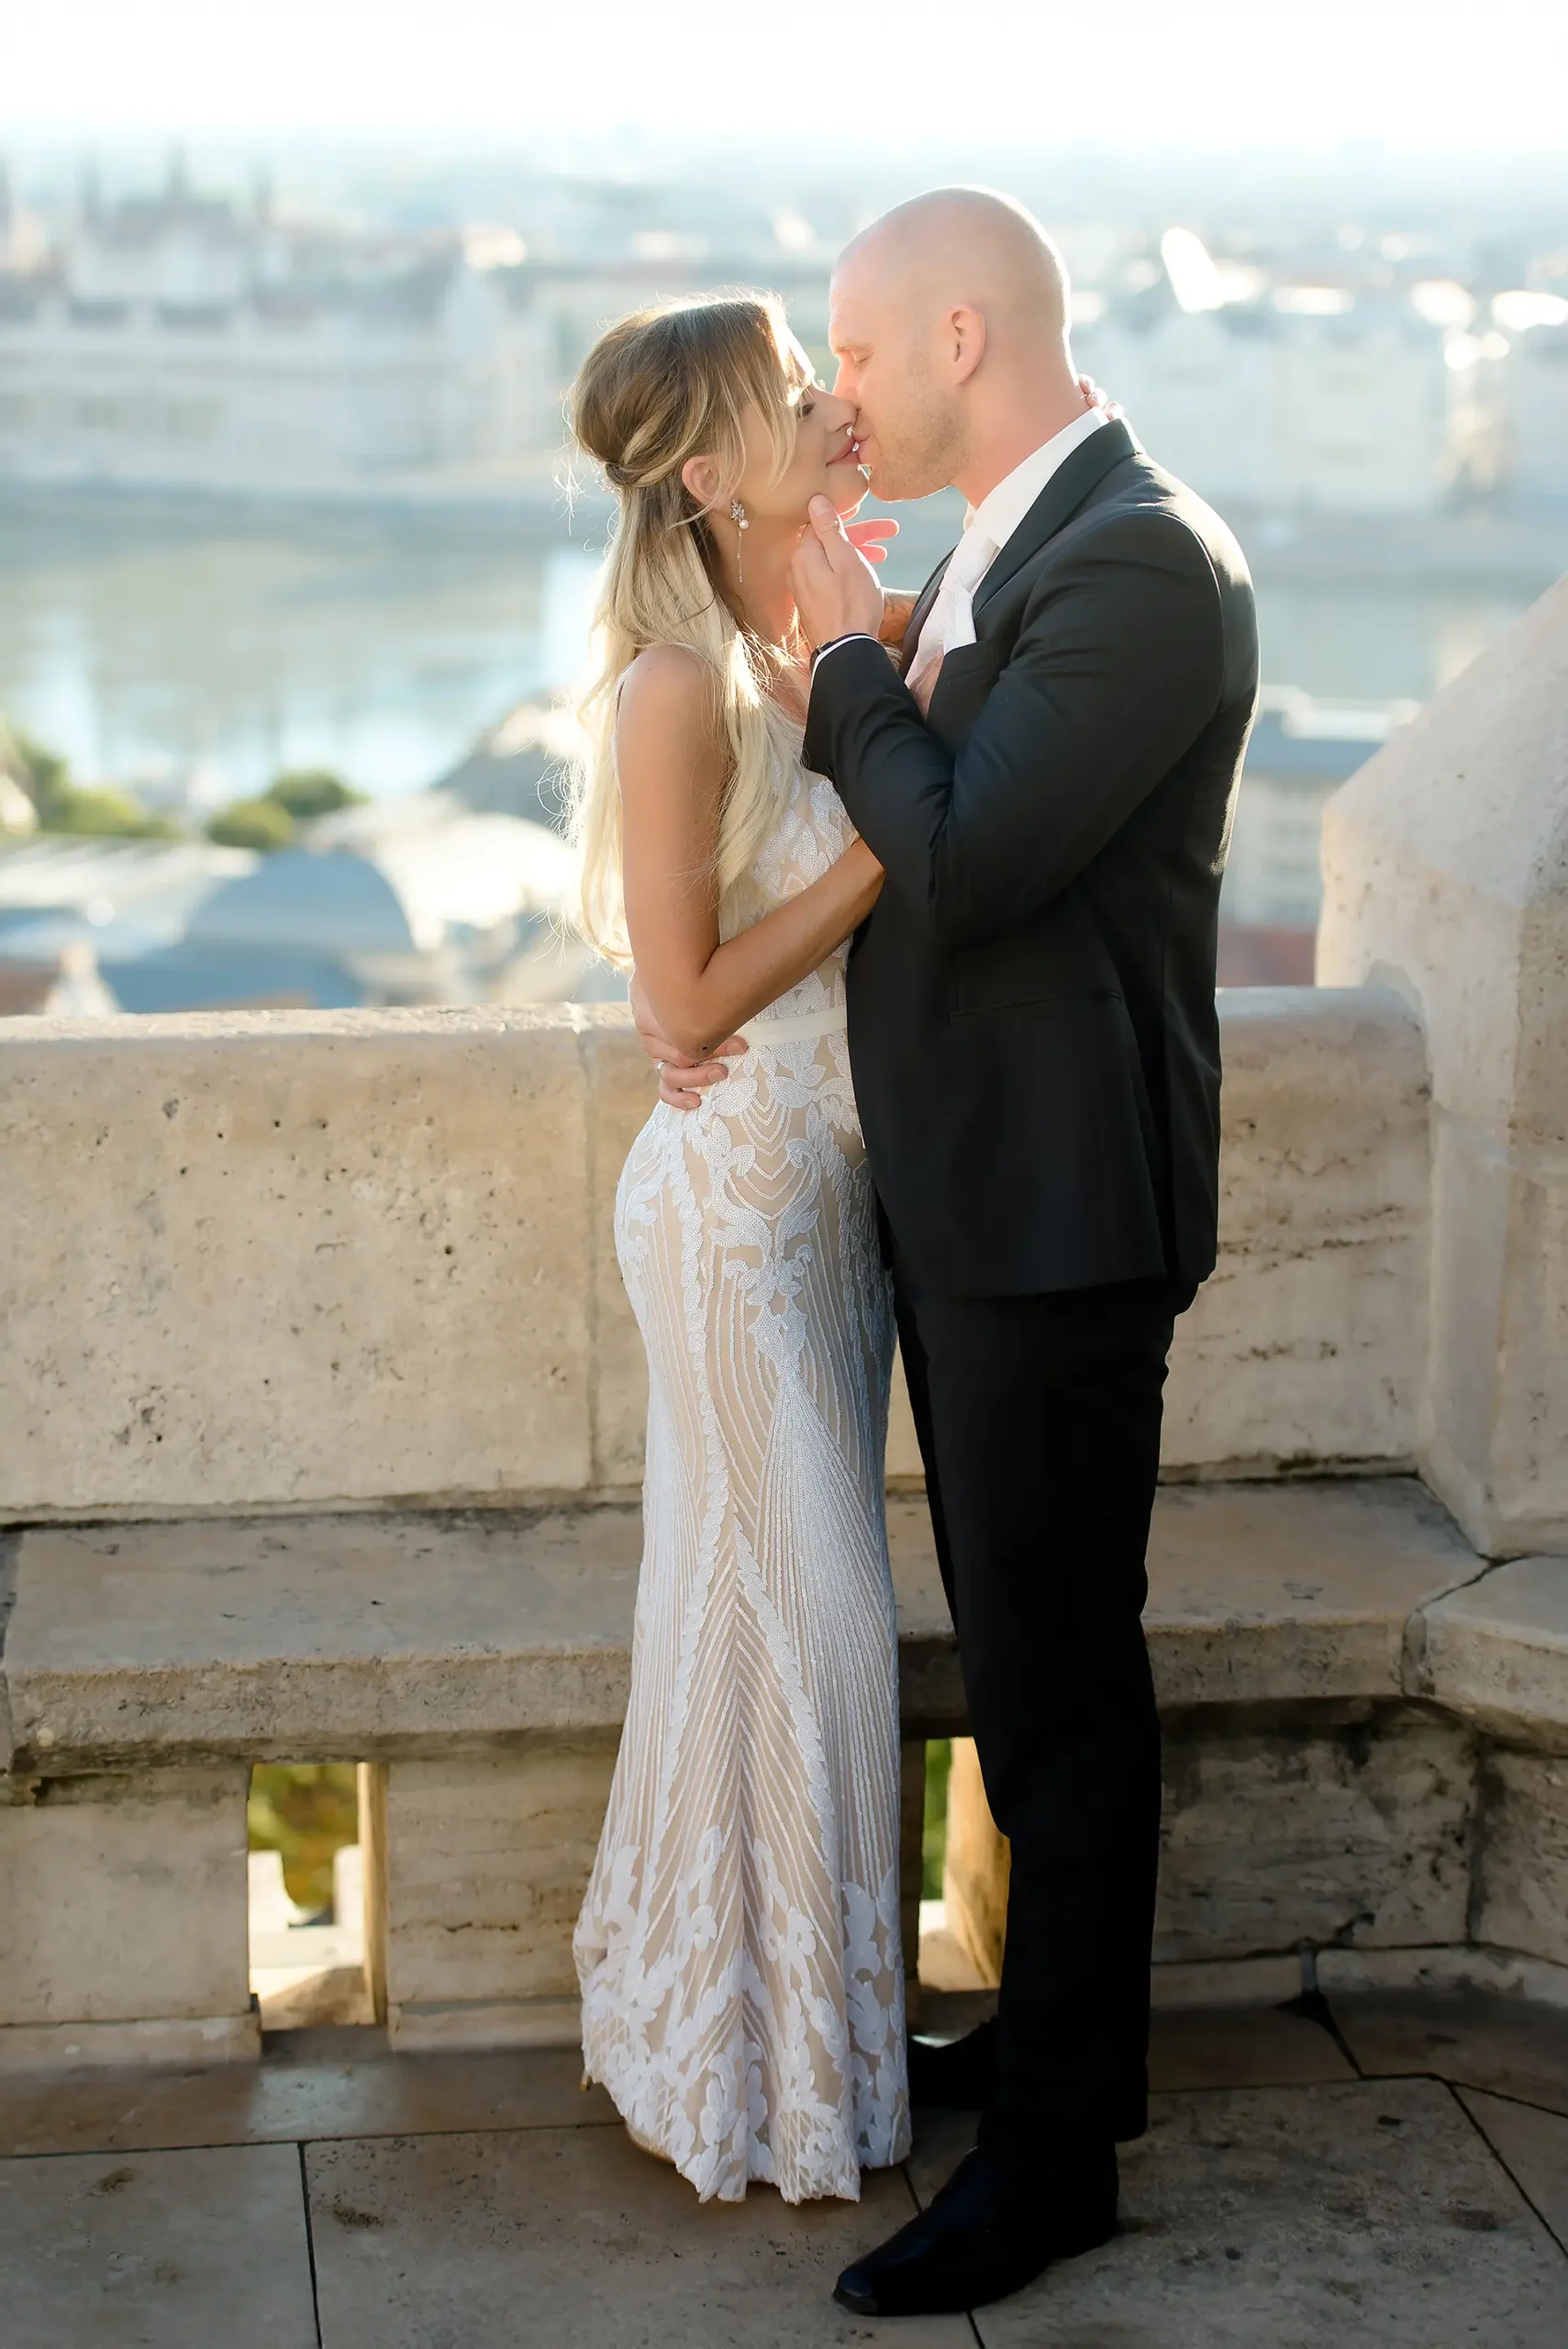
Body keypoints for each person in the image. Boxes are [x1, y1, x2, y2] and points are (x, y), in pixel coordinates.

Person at [641, 188, 1259, 2316]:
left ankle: (1061, 2154)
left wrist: (830, 660)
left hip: (1056, 1216)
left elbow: (973, 855)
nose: (845, 398)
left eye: (864, 355)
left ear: (966, 333)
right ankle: (1055, 2045)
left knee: (1059, 1682)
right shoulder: (1018, 546)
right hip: (965, 1195)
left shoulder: (1142, 562)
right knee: (1012, 1664)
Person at [565, 292, 914, 2207]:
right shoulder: (675, 687)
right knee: (819, 1636)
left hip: (826, 1209)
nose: (825, 399)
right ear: (706, 466)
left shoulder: (823, 623)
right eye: (787, 391)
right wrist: (890, 833)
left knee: (749, 1621)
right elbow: (683, 1005)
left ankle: (755, 2048)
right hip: (726, 1215)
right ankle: (748, 2063)